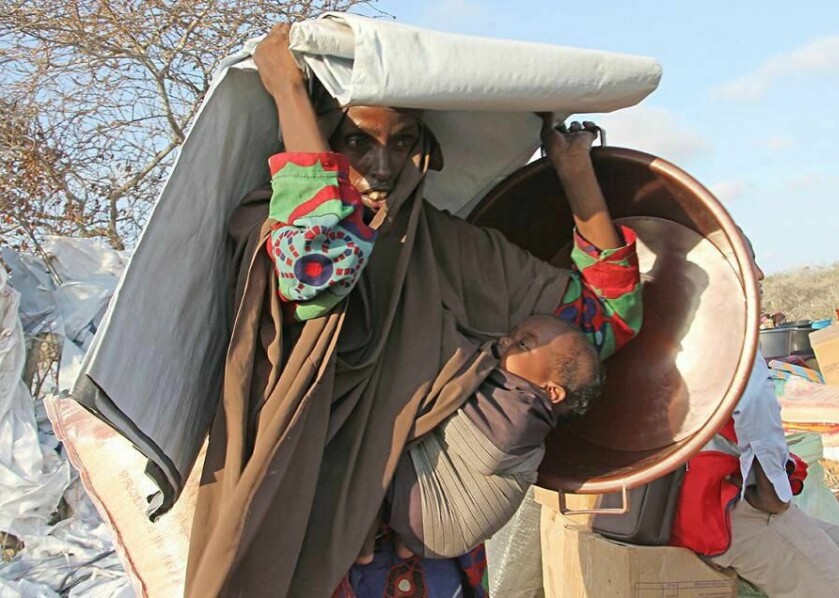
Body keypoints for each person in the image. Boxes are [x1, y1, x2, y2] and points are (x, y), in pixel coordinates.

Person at [185, 23, 642, 598]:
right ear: (324, 137)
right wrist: (290, 95)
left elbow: (603, 324)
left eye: (401, 142)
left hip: (425, 554)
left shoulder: (445, 247)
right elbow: (317, 268)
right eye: (357, 141)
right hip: (306, 532)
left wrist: (575, 171)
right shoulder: (266, 222)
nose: (383, 165)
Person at [669, 235, 839, 598]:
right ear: (722, 274)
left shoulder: (688, 339)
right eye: (748, 262)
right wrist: (775, 498)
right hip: (729, 513)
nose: (760, 273)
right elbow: (760, 436)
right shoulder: (726, 344)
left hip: (721, 504)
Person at [382, 315, 603, 562]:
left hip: (434, 516)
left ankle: (379, 528)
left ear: (550, 391)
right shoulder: (518, 408)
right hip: (439, 528)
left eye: (524, 344)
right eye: (514, 333)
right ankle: (405, 543)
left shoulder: (518, 419)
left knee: (384, 417)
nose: (506, 339)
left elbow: (453, 408)